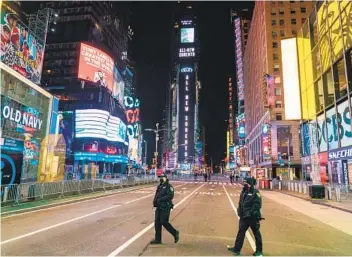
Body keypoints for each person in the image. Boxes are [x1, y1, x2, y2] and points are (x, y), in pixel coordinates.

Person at [228, 177, 263, 256]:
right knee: (241, 232)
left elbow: (257, 205)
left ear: (250, 184)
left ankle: (259, 251)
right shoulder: (244, 191)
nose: (244, 185)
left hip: (252, 217)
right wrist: (239, 210)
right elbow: (241, 202)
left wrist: (250, 213)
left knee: (256, 234)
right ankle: (237, 249)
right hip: (244, 216)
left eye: (246, 183)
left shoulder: (255, 192)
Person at [151, 174, 180, 244]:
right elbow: (157, 195)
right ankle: (158, 240)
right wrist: (155, 201)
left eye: (162, 177)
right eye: (160, 177)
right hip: (158, 207)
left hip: (165, 207)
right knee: (157, 223)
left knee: (164, 222)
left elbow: (170, 195)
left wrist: (160, 199)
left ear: (165, 178)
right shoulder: (159, 186)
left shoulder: (168, 186)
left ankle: (175, 233)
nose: (160, 178)